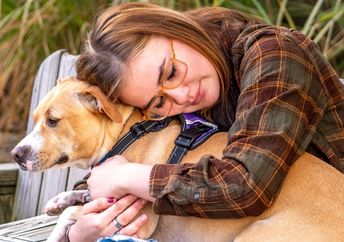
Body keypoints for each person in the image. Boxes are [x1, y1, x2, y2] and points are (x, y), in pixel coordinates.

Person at [68, 2, 344, 241]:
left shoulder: (274, 54)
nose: (181, 95)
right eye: (159, 102)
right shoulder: (182, 102)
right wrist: (80, 231)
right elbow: (113, 168)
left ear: (173, 28)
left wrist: (125, 177)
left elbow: (246, 186)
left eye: (171, 72)